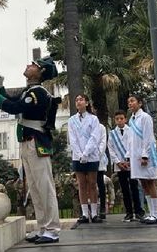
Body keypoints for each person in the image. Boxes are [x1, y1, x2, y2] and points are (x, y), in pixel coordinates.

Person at [0, 56, 62, 244]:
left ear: (41, 72)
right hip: (28, 143)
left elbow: (15, 107)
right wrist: (1, 89)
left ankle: (52, 229)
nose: (29, 65)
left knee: (45, 187)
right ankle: (43, 227)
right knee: (35, 189)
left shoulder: (38, 93)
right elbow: (13, 100)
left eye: (34, 65)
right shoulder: (30, 91)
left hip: (36, 143)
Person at [67, 94, 104, 224]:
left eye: (81, 99)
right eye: (76, 100)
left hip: (91, 155)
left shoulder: (94, 119)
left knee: (92, 184)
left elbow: (95, 137)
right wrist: (79, 154)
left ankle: (94, 213)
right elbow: (72, 139)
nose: (78, 102)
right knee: (81, 184)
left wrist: (86, 153)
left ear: (87, 103)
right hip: (78, 156)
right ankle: (84, 213)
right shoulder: (72, 120)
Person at [126, 94, 157, 224]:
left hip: (145, 154)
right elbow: (130, 139)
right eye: (129, 102)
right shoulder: (131, 119)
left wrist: (145, 155)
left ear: (140, 103)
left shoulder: (145, 117)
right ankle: (151, 212)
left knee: (150, 182)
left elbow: (148, 137)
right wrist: (129, 155)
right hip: (136, 156)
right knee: (144, 183)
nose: (130, 104)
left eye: (132, 101)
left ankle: (156, 214)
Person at [108, 110, 145, 222]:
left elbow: (134, 146)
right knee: (124, 189)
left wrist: (129, 160)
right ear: (115, 120)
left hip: (131, 163)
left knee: (134, 187)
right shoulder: (112, 133)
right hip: (120, 165)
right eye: (117, 119)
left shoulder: (131, 131)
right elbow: (111, 149)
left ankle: (139, 211)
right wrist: (118, 162)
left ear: (125, 119)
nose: (119, 121)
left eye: (121, 118)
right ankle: (129, 212)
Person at [96, 119, 109, 219]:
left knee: (100, 184)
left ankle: (102, 208)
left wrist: (97, 155)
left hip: (98, 158)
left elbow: (103, 143)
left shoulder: (101, 127)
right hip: (86, 158)